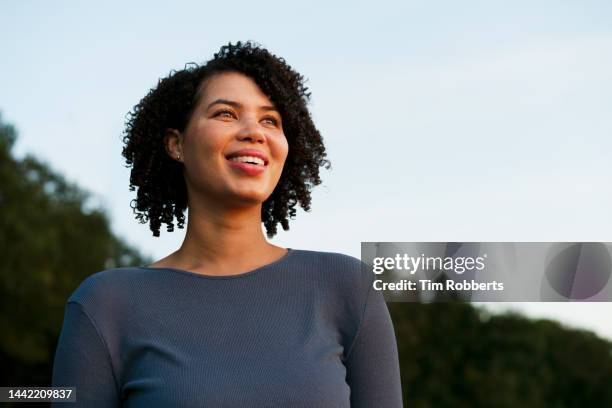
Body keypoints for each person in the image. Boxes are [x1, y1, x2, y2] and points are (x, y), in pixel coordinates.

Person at [52, 41, 403, 407]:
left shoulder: (348, 288)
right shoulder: (105, 305)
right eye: (226, 114)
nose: (255, 132)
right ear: (177, 145)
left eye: (270, 120)